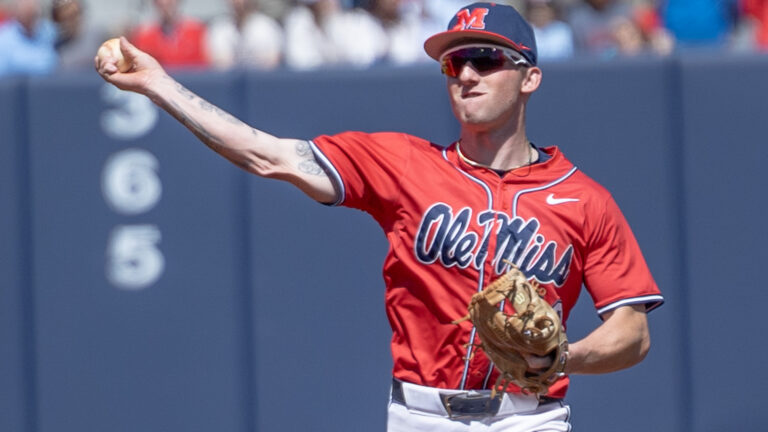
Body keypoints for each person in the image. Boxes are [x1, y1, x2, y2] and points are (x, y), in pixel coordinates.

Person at [95, 2, 663, 430]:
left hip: (530, 418)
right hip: (422, 416)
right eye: (454, 62)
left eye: (486, 59)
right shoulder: (401, 163)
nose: (465, 74)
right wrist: (157, 85)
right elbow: (266, 154)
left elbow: (633, 333)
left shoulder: (584, 198)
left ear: (530, 77)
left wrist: (564, 356)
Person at [206, 0, 284, 70]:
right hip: (229, 83)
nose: (238, 2)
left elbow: (272, 64)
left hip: (261, 82)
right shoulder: (219, 28)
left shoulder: (267, 27)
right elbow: (221, 65)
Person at [130, 0, 208, 68]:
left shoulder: (196, 30)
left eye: (170, 3)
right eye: (161, 4)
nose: (165, 7)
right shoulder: (144, 35)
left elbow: (205, 66)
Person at [0, 0, 58, 77]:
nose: (31, 19)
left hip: (50, 84)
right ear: (18, 15)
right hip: (17, 86)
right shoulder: (4, 38)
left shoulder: (50, 32)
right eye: (27, 15)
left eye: (34, 15)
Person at [51, 0, 107, 70]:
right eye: (64, 18)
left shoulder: (98, 35)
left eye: (72, 16)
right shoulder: (56, 44)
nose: (69, 22)